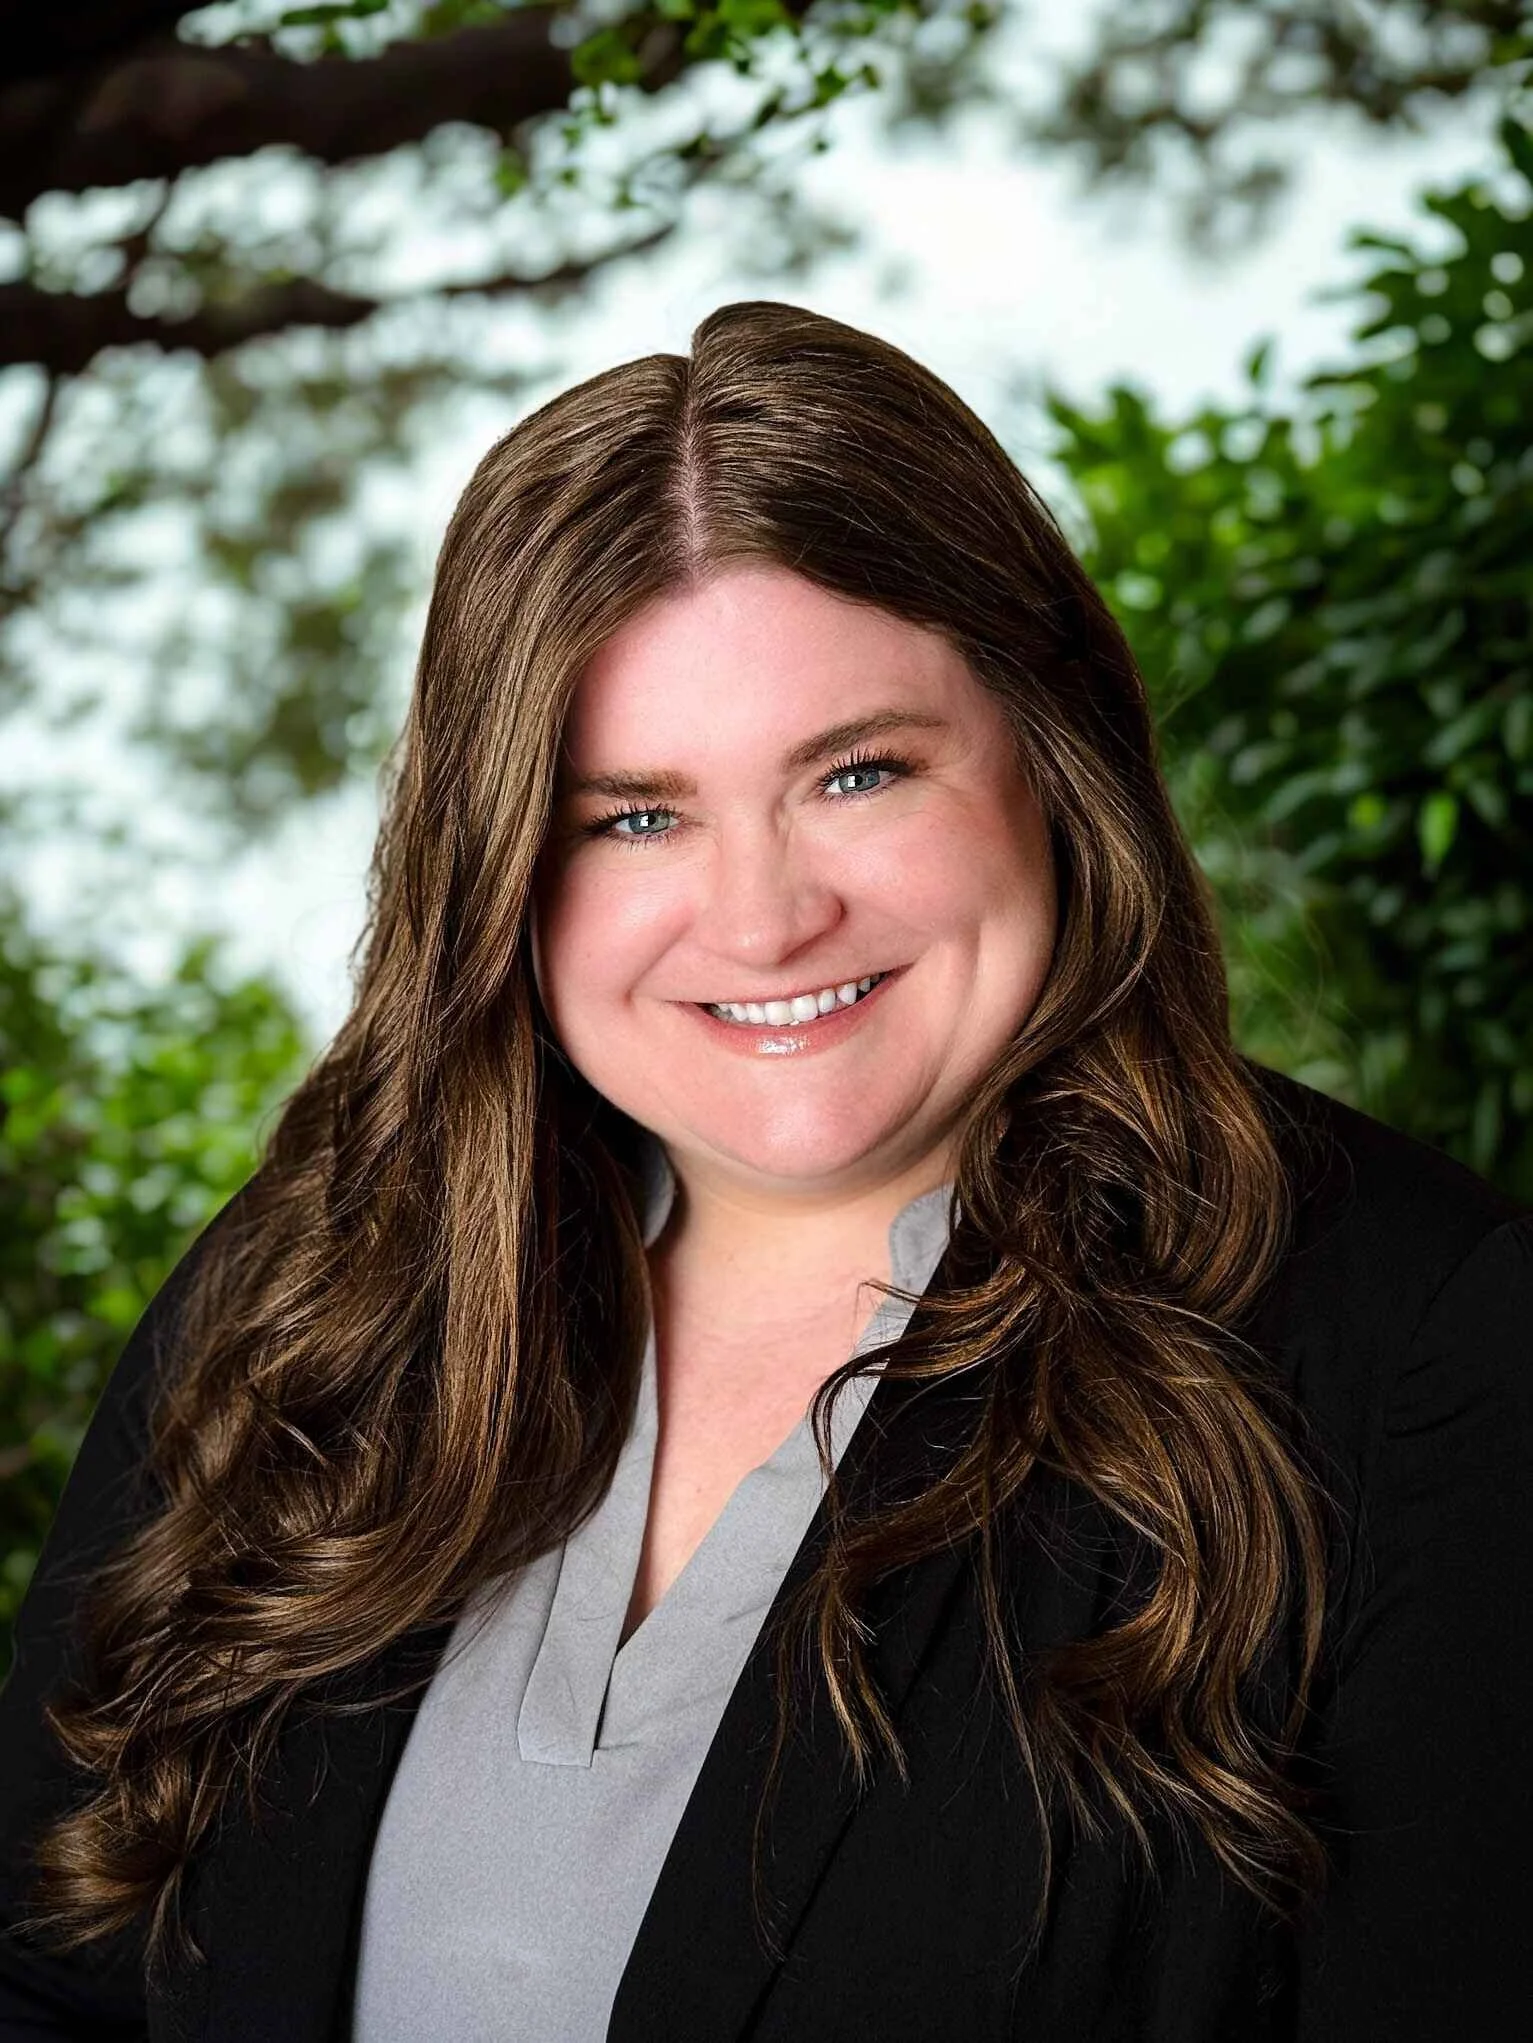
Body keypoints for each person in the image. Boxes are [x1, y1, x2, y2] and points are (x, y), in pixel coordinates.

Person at [2, 299, 1530, 2043]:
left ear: (1058, 755)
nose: (761, 915)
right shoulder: (315, 1292)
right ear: (499, 857)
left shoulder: (1421, 1349)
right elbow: (51, 1971)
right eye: (634, 813)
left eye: (858, 771)